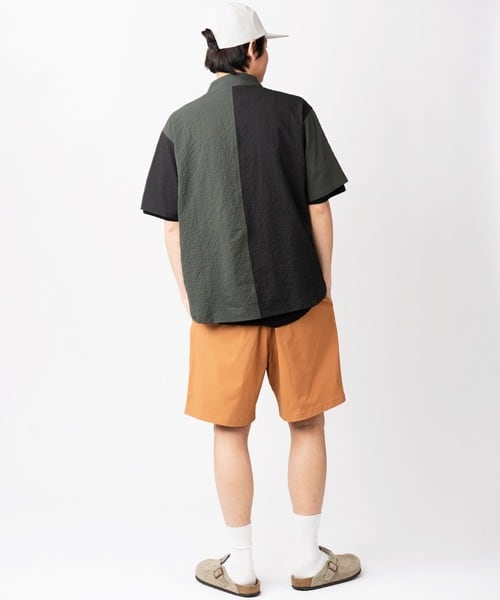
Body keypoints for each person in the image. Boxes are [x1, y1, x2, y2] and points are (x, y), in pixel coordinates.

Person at [140, 2, 361, 595]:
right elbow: (320, 208)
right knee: (307, 424)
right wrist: (324, 287)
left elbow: (171, 226)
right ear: (254, 52)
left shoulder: (180, 124)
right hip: (299, 299)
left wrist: (193, 297)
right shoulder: (295, 112)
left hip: (219, 309)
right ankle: (308, 562)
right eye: (267, 48)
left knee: (229, 431)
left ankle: (240, 567)